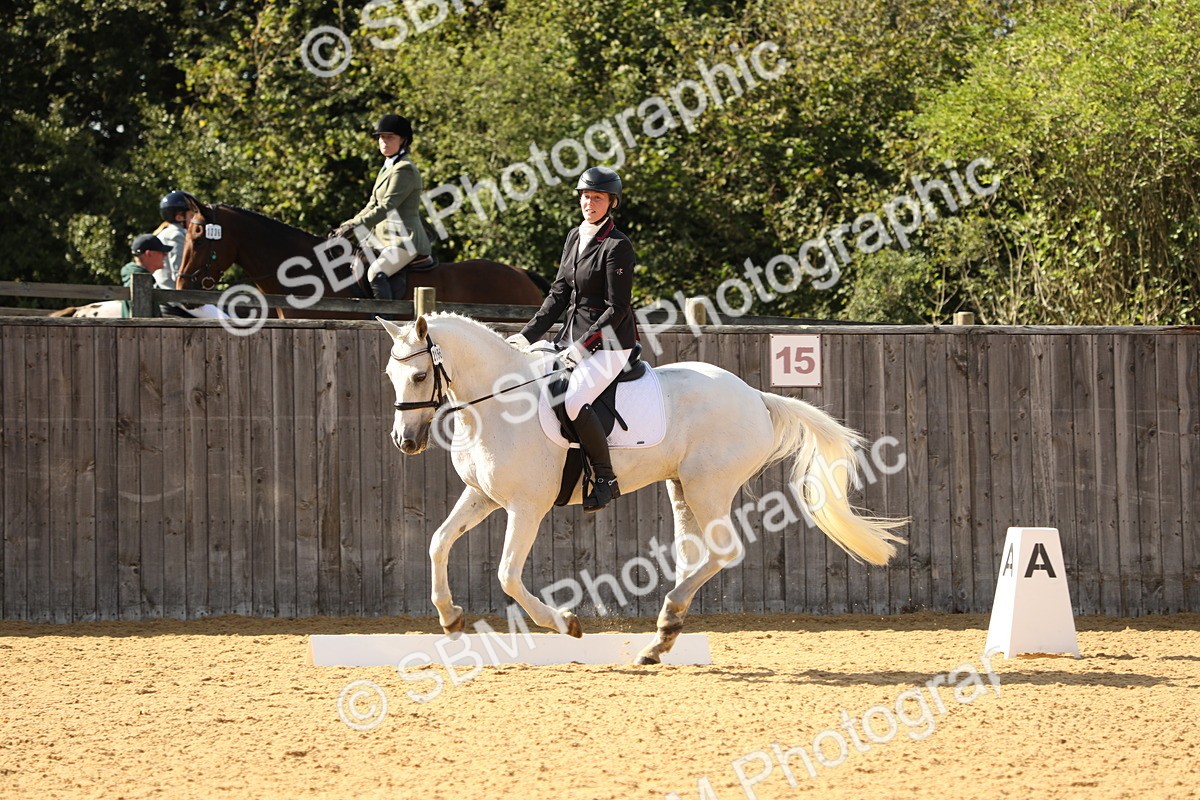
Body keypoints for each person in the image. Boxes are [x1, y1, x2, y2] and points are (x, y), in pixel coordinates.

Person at [506, 166, 637, 513]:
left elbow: (617, 308)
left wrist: (584, 348)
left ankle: (606, 479)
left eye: (597, 197)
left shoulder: (617, 246)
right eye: (585, 196)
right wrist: (525, 337)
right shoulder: (574, 237)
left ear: (612, 202)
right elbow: (558, 294)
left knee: (575, 399)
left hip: (610, 343)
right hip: (571, 338)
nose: (589, 202)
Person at [330, 114, 432, 301]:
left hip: (404, 239)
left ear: (403, 140)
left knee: (375, 273)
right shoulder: (387, 167)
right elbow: (372, 204)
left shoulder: (404, 169)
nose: (384, 142)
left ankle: (385, 323)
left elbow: (387, 206)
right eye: (381, 137)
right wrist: (347, 224)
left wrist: (356, 227)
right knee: (352, 264)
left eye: (390, 137)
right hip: (381, 238)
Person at [121, 234, 172, 317]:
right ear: (149, 253)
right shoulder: (138, 282)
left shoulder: (136, 278)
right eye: (161, 252)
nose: (165, 255)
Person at [154, 190, 191, 288]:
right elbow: (179, 273)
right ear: (179, 217)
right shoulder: (176, 235)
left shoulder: (168, 232)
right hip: (173, 295)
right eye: (192, 215)